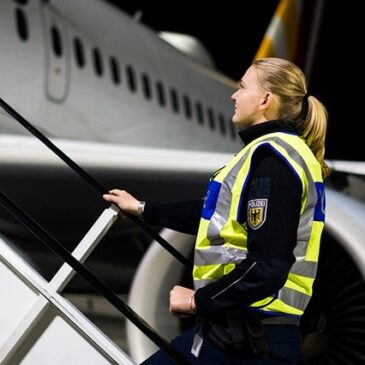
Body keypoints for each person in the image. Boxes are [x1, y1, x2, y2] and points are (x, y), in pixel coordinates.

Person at [103, 57, 328, 364]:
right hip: (232, 332)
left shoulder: (274, 162)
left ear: (265, 99)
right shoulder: (269, 155)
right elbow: (217, 218)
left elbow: (269, 265)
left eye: (242, 87)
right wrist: (142, 208)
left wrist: (197, 301)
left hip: (251, 340)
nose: (234, 95)